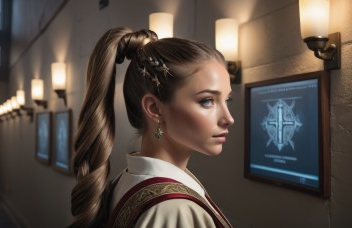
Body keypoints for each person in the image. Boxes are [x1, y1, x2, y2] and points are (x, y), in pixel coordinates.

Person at [69, 27, 234, 228]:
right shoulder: (173, 209)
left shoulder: (128, 179)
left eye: (227, 99)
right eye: (207, 101)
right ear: (154, 108)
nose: (228, 118)